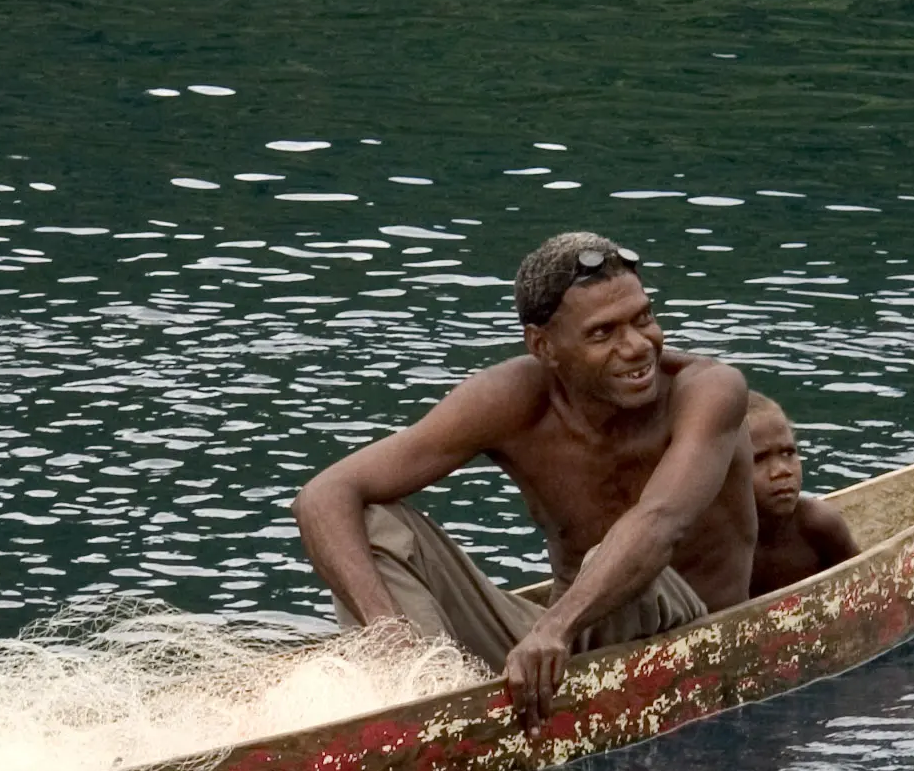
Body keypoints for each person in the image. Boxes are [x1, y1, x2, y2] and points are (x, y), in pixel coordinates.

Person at [293, 232, 757, 719]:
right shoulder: (512, 398)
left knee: (618, 554)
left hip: (687, 626)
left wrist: (552, 630)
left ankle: (471, 699)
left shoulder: (708, 391)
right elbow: (323, 494)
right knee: (370, 523)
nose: (638, 346)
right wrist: (387, 630)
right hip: (559, 639)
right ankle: (427, 696)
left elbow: (660, 523)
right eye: (603, 333)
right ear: (544, 346)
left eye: (644, 319)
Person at [745, 390, 860, 595]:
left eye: (789, 453)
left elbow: (863, 582)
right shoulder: (714, 540)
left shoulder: (818, 524)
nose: (781, 471)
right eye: (759, 459)